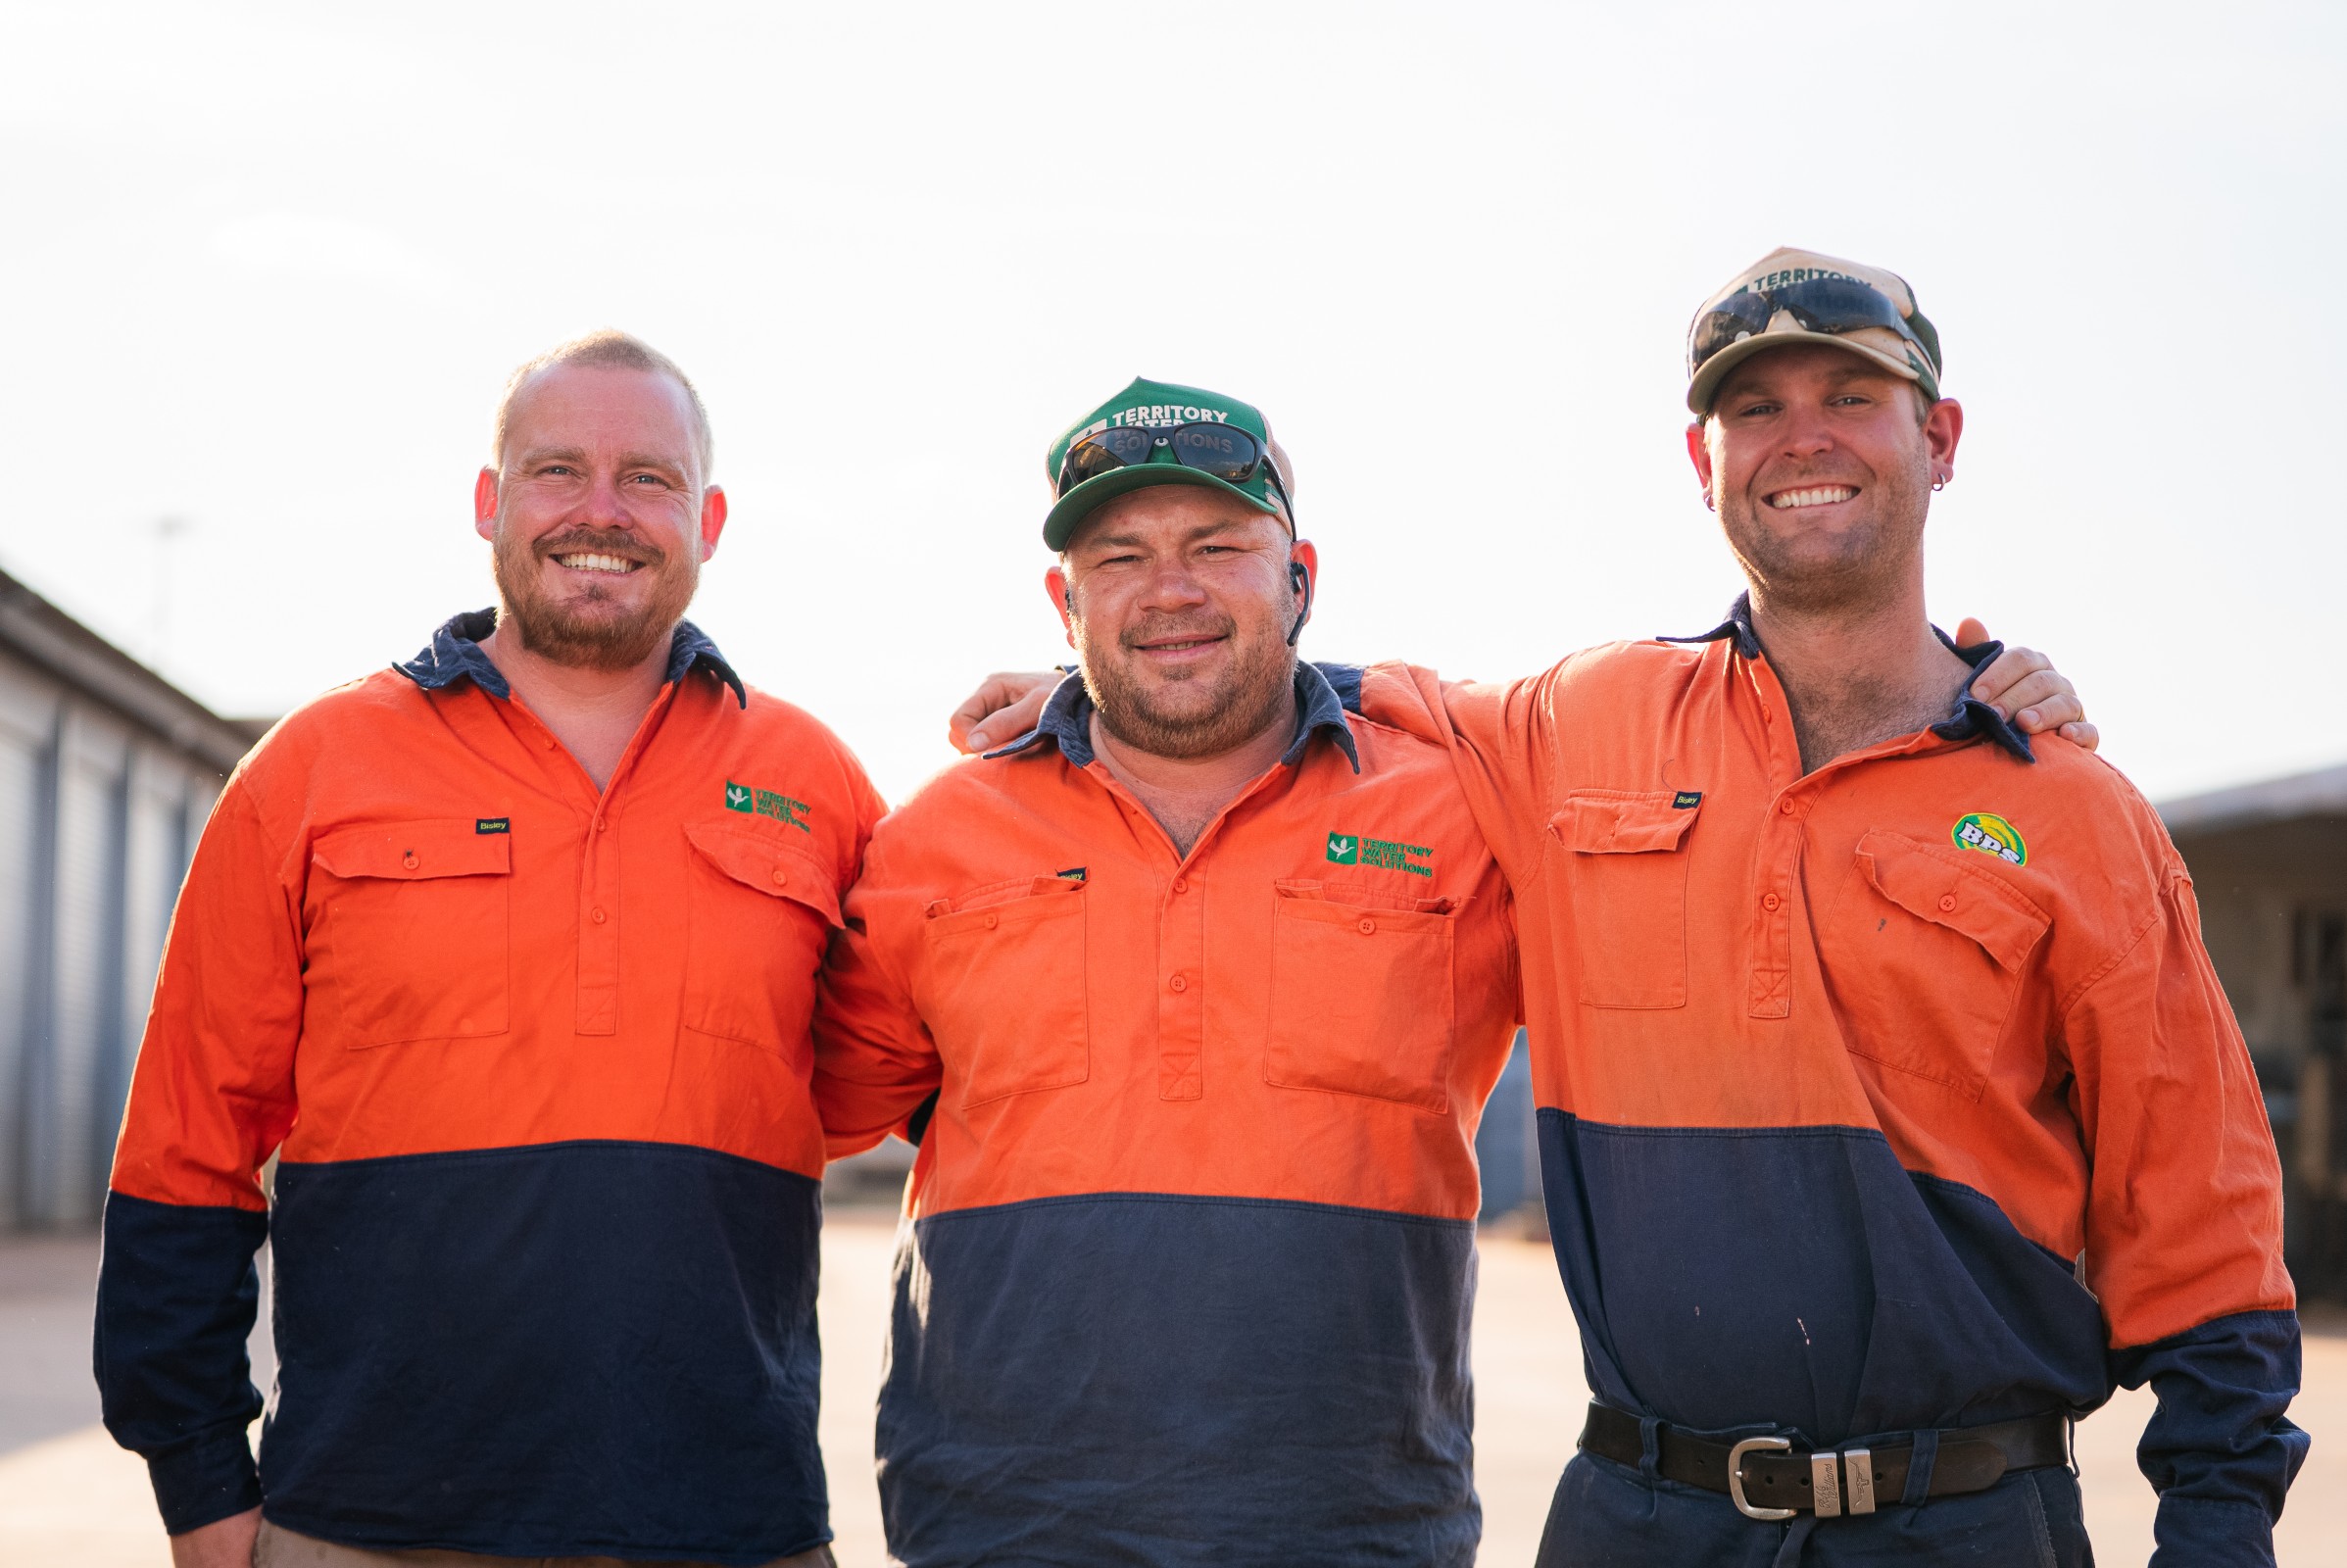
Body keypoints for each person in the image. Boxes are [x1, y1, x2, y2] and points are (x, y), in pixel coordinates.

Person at [1345, 249, 2301, 1565]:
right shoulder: (1576, 724)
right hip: (1636, 1522)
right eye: (1754, 408)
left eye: (1848, 394)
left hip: (1967, 1527)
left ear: (1937, 435)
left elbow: (2197, 1212)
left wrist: (2217, 1527)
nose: (1800, 438)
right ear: (1703, 460)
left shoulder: (2073, 814)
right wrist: (1069, 704)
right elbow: (1305, 702)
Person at [96, 332, 879, 1568]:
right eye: (558, 469)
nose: (601, 511)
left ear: (710, 517)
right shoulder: (310, 773)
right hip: (367, 1526)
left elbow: (927, 1052)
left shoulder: (816, 783)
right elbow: (184, 1156)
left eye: (650, 478)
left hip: (733, 1523)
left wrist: (1071, 725)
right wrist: (201, 1489)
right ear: (490, 502)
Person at [810, 378, 1526, 1564]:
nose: (1171, 589)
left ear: (1299, 573)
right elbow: (811, 1103)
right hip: (998, 1524)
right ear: (1064, 598)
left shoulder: (1463, 813)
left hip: (1354, 1523)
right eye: (1120, 555)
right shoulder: (933, 836)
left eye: (1218, 546)